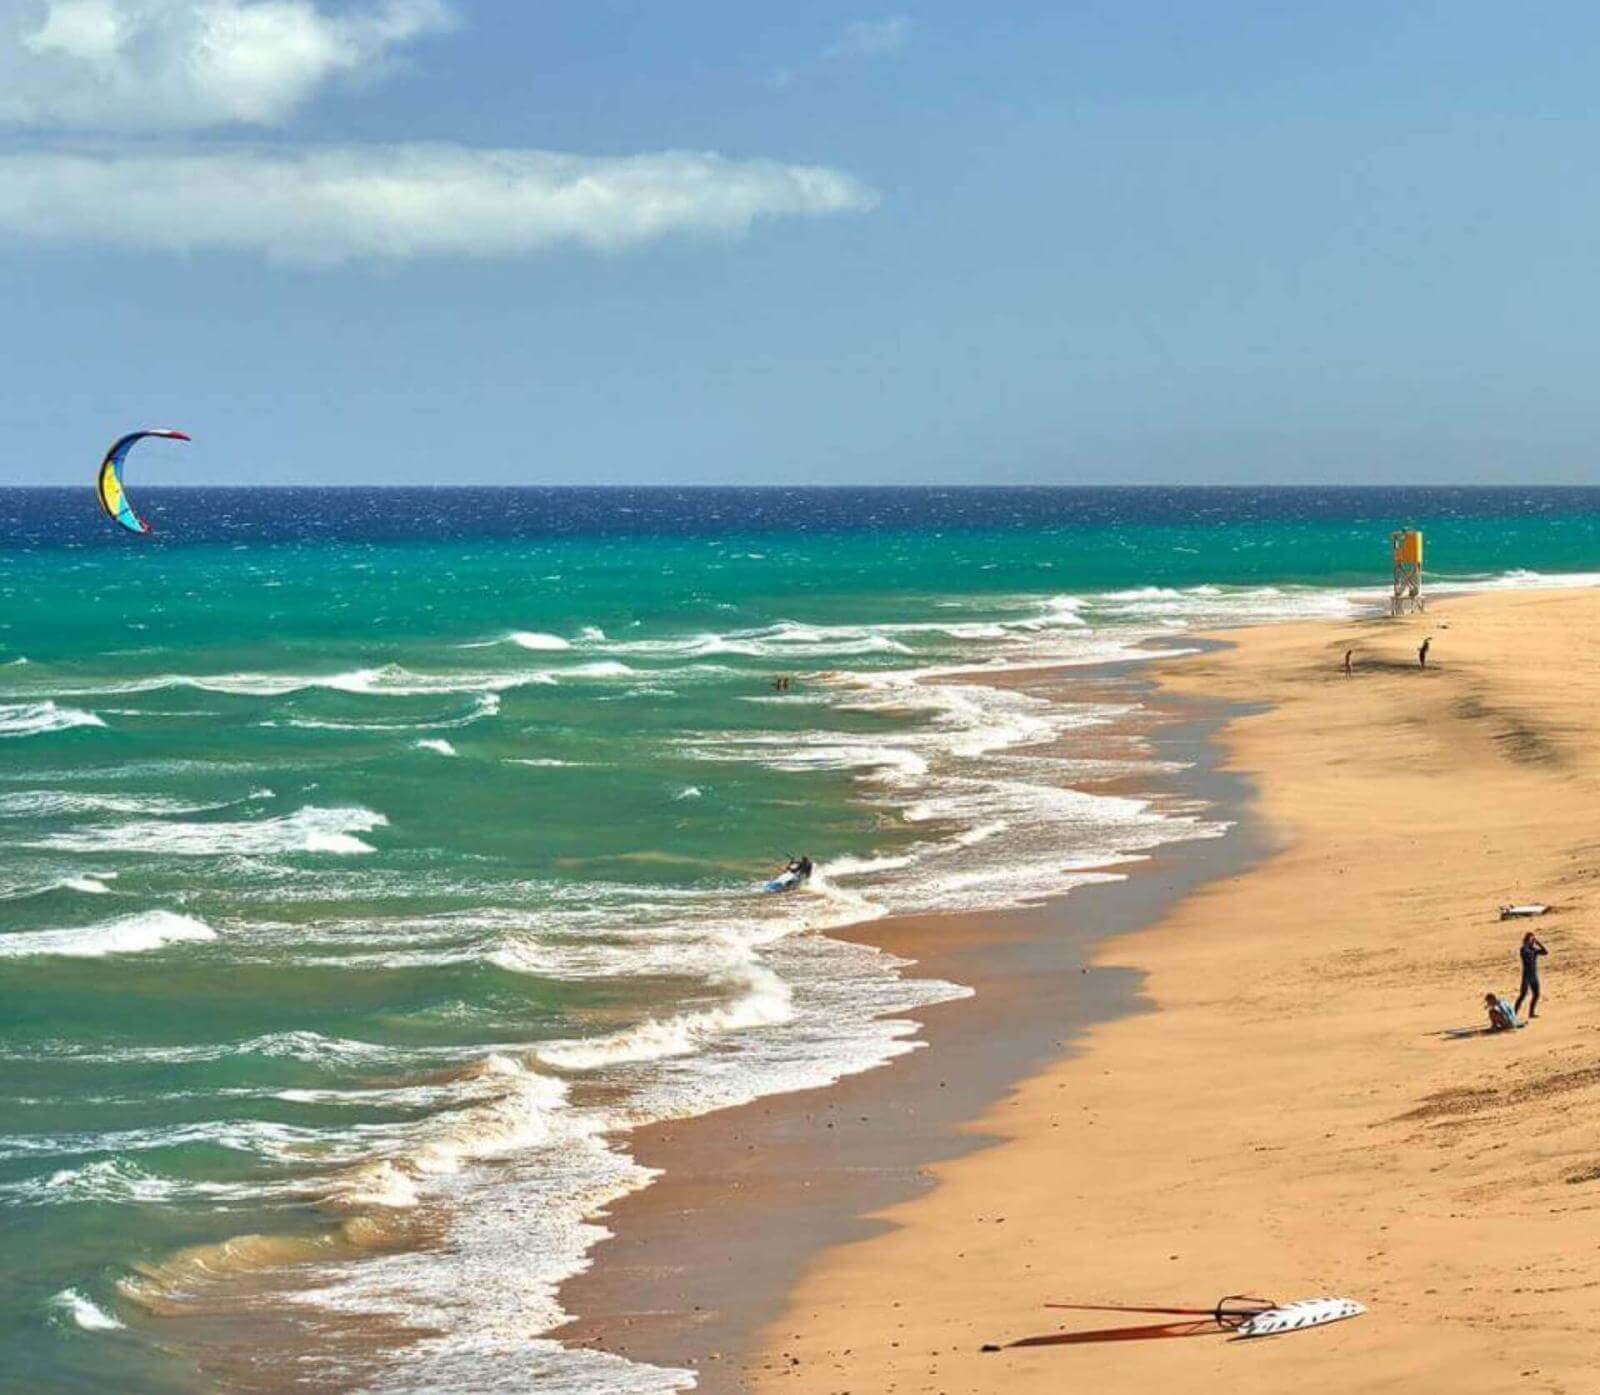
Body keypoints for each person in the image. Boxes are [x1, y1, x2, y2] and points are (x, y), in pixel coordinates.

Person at [1515, 930, 1548, 1019]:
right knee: (1523, 995)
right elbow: (1526, 953)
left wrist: (1538, 943)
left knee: (1536, 994)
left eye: (1533, 940)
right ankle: (1514, 1013)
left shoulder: (1534, 950)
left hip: (1534, 975)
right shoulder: (1523, 949)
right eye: (1531, 939)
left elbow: (1545, 952)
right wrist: (1527, 943)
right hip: (1526, 976)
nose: (1532, 941)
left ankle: (1531, 1013)